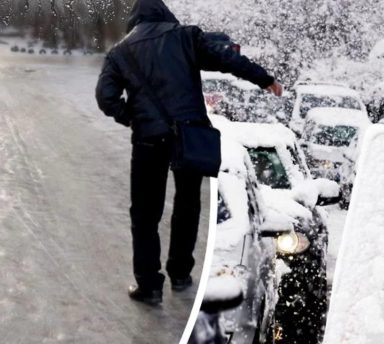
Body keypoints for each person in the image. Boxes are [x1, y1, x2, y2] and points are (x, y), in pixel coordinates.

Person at [96, 0, 283, 305]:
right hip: (189, 134)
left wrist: (132, 117)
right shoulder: (185, 37)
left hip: (147, 140)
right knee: (187, 204)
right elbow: (226, 59)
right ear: (165, 13)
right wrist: (265, 79)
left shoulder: (119, 52)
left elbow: (106, 98)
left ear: (134, 20)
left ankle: (149, 285)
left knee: (145, 213)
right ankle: (181, 273)